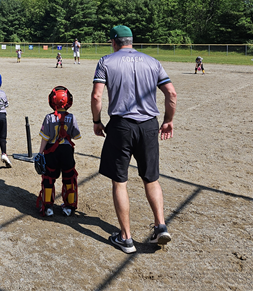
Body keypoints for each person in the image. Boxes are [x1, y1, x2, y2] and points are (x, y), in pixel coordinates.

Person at [91, 25, 177, 254]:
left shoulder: (105, 61)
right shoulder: (152, 61)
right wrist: (168, 120)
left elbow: (97, 95)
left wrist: (97, 121)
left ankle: (126, 238)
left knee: (120, 181)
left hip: (121, 126)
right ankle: (160, 226)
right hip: (149, 126)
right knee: (151, 179)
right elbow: (171, 93)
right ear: (131, 41)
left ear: (114, 42)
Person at [36, 86, 82, 217]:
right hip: (67, 151)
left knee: (48, 178)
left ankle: (48, 207)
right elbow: (75, 135)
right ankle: (69, 207)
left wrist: (40, 153)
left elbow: (45, 138)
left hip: (51, 151)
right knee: (69, 177)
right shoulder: (71, 117)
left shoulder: (48, 118)